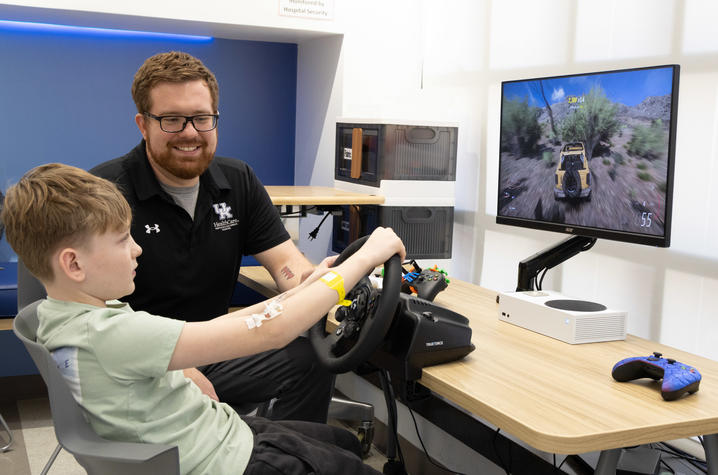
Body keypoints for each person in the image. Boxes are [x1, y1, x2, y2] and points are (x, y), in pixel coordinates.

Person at [1, 163, 405, 474]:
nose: (137, 249)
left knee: (341, 442)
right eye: (124, 239)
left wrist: (308, 285)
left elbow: (250, 319)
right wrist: (364, 260)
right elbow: (272, 331)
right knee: (347, 461)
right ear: (73, 264)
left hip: (212, 434)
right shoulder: (111, 333)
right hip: (225, 460)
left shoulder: (66, 315)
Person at [90, 51, 331, 421]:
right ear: (143, 124)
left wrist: (316, 282)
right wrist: (175, 369)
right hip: (141, 364)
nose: (190, 132)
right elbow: (93, 316)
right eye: (171, 120)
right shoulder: (106, 192)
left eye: (202, 118)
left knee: (314, 359)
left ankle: (282, 455)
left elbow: (286, 265)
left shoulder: (238, 181)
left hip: (215, 348)